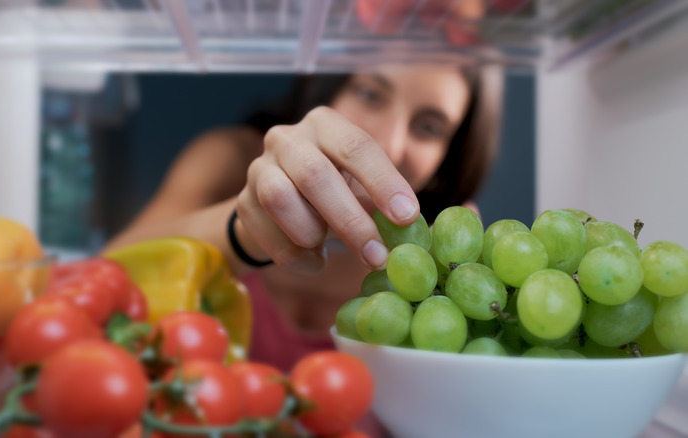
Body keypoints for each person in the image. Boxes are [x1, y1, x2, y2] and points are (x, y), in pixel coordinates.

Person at [104, 62, 503, 436]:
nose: (389, 142)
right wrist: (247, 228)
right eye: (370, 94)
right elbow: (96, 293)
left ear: (449, 158)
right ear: (327, 87)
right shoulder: (230, 159)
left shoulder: (440, 265)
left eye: (429, 128)